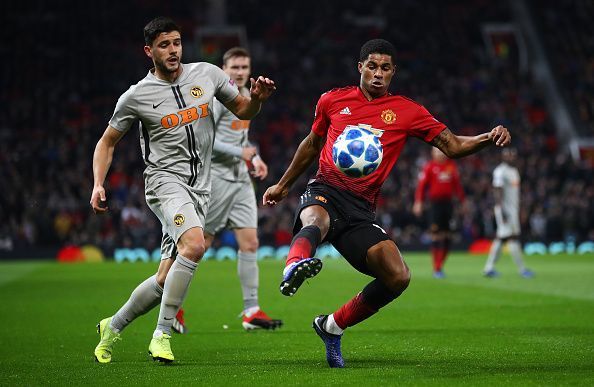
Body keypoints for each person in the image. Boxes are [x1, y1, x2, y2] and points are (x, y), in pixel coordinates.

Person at [262, 39, 512, 368]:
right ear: (360, 68)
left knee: (398, 276)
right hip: (325, 188)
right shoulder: (333, 100)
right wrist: (283, 184)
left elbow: (451, 145)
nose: (378, 73)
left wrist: (486, 137)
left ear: (393, 72)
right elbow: (312, 144)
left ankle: (332, 325)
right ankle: (294, 265)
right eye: (372, 66)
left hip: (360, 210)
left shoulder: (408, 111)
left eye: (385, 68)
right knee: (315, 221)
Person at [90, 17, 275, 364]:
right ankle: (161, 334)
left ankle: (111, 327)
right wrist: (99, 183)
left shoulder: (207, 74)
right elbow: (107, 142)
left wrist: (259, 100)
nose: (173, 50)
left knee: (164, 277)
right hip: (164, 181)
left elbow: (244, 109)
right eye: (164, 45)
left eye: (176, 43)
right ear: (149, 51)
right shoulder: (136, 96)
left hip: (202, 187)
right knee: (194, 244)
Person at [170, 47, 282, 333]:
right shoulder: (218, 96)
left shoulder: (247, 96)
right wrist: (242, 153)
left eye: (245, 66)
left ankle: (251, 311)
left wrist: (254, 158)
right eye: (235, 67)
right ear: (224, 67)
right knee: (198, 245)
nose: (241, 72)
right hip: (216, 178)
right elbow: (206, 140)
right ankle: (173, 309)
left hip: (241, 179)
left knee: (251, 243)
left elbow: (241, 136)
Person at [413, 147, 465, 278]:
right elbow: (421, 186)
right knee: (436, 235)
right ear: (432, 153)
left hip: (448, 205)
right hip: (435, 205)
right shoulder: (429, 167)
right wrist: (418, 202)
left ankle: (440, 265)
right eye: (436, 152)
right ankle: (436, 268)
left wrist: (463, 202)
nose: (439, 154)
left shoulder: (451, 167)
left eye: (441, 151)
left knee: (448, 236)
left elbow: (457, 186)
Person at [483, 148, 534, 278]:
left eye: (513, 155)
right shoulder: (500, 171)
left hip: (513, 210)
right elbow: (497, 190)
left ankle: (489, 268)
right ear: (503, 157)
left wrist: (520, 209)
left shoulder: (514, 171)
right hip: (504, 210)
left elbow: (516, 193)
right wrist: (502, 211)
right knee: (512, 237)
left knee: (502, 238)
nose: (511, 157)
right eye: (508, 155)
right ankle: (522, 269)